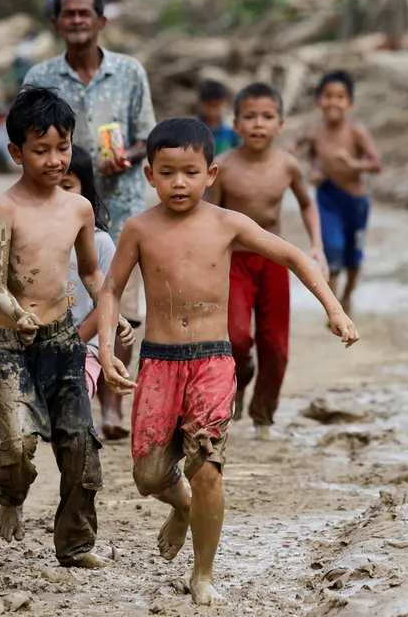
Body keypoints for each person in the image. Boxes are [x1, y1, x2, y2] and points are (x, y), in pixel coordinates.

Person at [87, 118, 359, 606]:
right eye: (167, 173)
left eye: (190, 172)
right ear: (149, 175)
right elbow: (111, 289)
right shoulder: (139, 228)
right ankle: (181, 505)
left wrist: (334, 308)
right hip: (159, 360)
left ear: (210, 174)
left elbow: (294, 256)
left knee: (207, 467)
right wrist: (106, 349)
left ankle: (203, 573)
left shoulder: (227, 224)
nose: (179, 183)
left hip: (212, 361)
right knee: (148, 477)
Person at [0, 86, 112, 568]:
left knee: (79, 442)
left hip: (61, 339)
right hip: (9, 342)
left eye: (63, 147)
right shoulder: (4, 209)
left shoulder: (78, 209)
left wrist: (111, 317)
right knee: (19, 444)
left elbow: (93, 274)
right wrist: (19, 314)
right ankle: (10, 496)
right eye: (41, 150)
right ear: (17, 152)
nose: (55, 160)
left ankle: (76, 543)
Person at [22, 0, 155, 434]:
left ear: (101, 20)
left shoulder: (130, 72)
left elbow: (147, 135)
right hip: (58, 212)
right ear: (57, 22)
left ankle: (112, 403)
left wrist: (127, 157)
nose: (77, 20)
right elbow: (26, 140)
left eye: (85, 13)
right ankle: (66, 387)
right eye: (69, 13)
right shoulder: (39, 78)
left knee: (124, 307)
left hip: (122, 209)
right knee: (70, 302)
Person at [208, 82, 327, 439]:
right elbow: (208, 216)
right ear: (237, 123)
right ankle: (241, 379)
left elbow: (307, 203)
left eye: (267, 117)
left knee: (275, 344)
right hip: (235, 263)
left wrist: (316, 244)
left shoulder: (288, 166)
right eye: (250, 117)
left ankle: (263, 414)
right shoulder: (223, 167)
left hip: (274, 260)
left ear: (281, 123)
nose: (258, 124)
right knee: (238, 339)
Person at [59, 144, 137, 434]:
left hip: (85, 345)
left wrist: (74, 342)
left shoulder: (100, 242)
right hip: (37, 346)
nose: (59, 195)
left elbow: (105, 298)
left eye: (67, 186)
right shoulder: (29, 239)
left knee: (71, 407)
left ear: (85, 190)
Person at [296, 70, 381, 314]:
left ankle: (347, 294)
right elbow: (310, 155)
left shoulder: (356, 131)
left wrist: (354, 165)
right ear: (318, 101)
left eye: (340, 96)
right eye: (327, 96)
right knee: (332, 249)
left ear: (350, 103)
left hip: (355, 202)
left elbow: (376, 164)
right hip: (327, 198)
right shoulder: (314, 131)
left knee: (354, 256)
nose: (333, 101)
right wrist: (313, 172)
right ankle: (334, 308)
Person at [196, 79, 241, 156]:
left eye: (217, 106)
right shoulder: (193, 130)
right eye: (209, 106)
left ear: (225, 105)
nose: (213, 111)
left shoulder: (231, 132)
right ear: (200, 105)